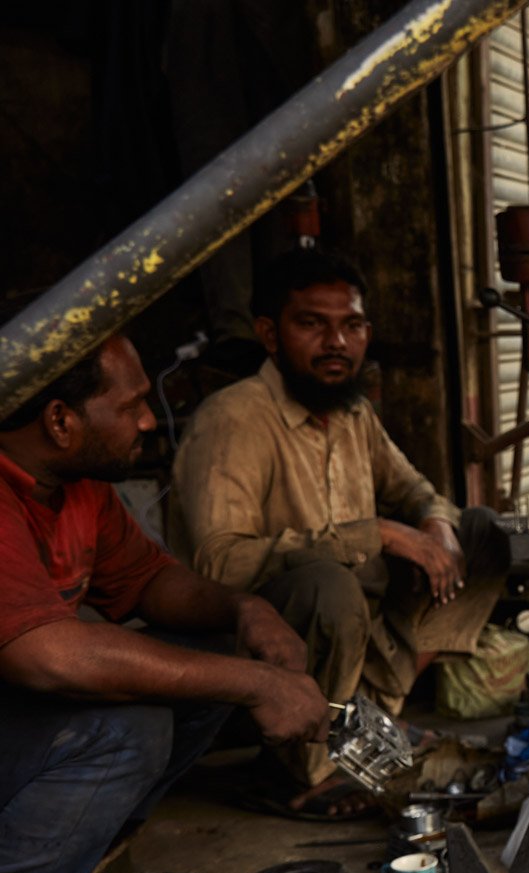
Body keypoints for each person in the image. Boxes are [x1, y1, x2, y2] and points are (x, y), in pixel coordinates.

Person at [0, 334, 328, 873]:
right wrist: (259, 680)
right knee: (132, 730)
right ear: (60, 419)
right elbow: (44, 655)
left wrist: (245, 612)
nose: (151, 419)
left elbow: (150, 583)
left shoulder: (78, 486)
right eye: (134, 404)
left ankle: (86, 868)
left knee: (200, 674)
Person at [172, 249, 506, 811]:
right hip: (266, 641)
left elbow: (417, 490)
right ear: (270, 334)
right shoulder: (233, 419)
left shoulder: (352, 413)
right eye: (312, 324)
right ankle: (302, 770)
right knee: (328, 583)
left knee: (482, 534)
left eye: (351, 326)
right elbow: (216, 563)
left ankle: (374, 719)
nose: (337, 343)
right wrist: (375, 533)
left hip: (359, 634)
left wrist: (436, 526)